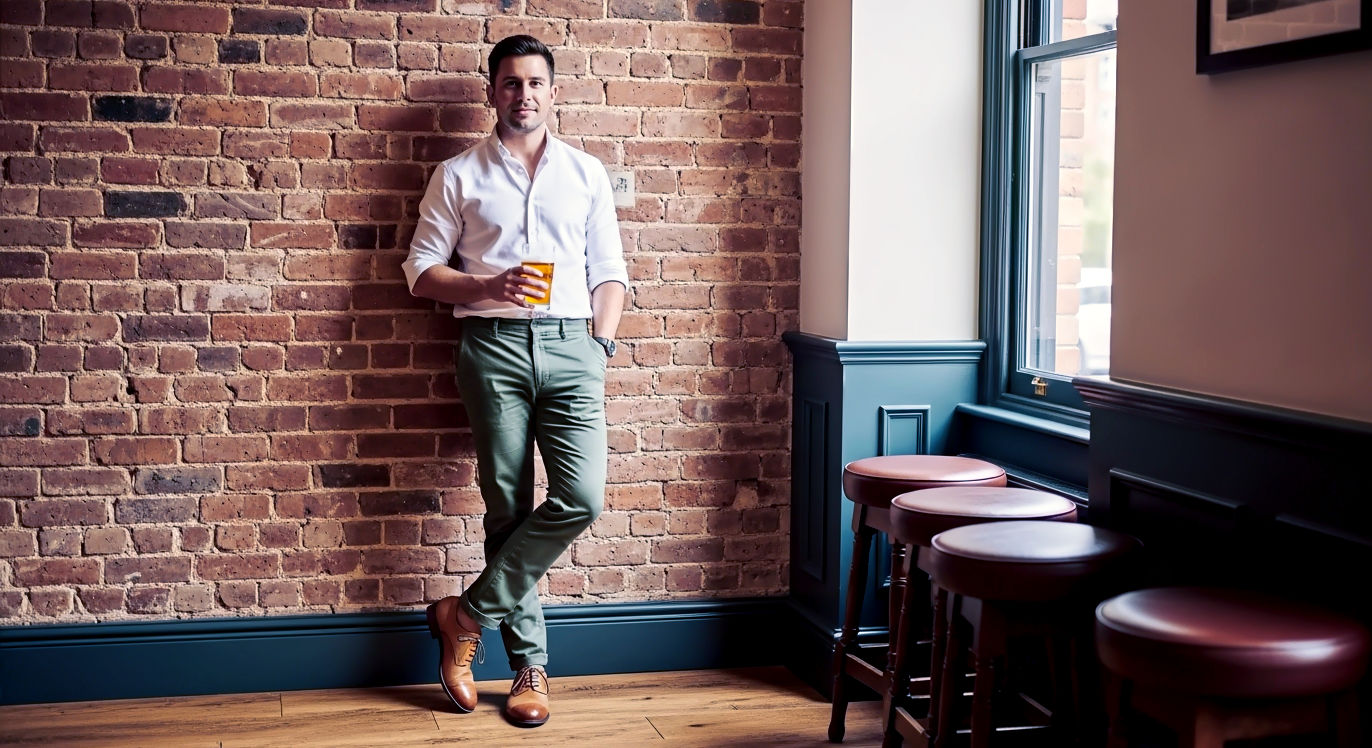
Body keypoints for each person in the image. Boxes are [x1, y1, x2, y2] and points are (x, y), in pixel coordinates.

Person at [402, 34, 627, 727]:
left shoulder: (587, 173)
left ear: (553, 93)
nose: (523, 95)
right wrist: (487, 282)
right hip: (490, 346)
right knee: (507, 508)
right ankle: (530, 671)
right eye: (510, 83)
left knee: (580, 496)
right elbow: (418, 270)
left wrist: (600, 346)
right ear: (491, 92)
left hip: (572, 348)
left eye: (535, 83)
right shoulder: (458, 174)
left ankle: (461, 617)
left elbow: (610, 272)